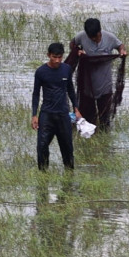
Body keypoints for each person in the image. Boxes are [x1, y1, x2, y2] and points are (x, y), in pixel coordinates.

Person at [30, 41, 83, 171]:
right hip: (47, 114)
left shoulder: (66, 69)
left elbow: (70, 90)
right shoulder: (41, 72)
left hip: (63, 114)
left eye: (60, 57)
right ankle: (43, 175)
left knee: (67, 148)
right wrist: (34, 115)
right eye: (54, 57)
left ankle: (69, 175)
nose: (57, 60)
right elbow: (36, 94)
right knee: (42, 146)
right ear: (48, 55)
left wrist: (76, 108)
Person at [71, 16, 125, 130]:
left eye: (97, 37)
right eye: (92, 38)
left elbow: (120, 45)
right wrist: (77, 51)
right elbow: (73, 43)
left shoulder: (109, 37)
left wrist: (122, 52)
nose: (95, 40)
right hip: (87, 84)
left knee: (105, 119)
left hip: (105, 84)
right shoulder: (81, 36)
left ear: (100, 31)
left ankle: (104, 133)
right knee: (88, 119)